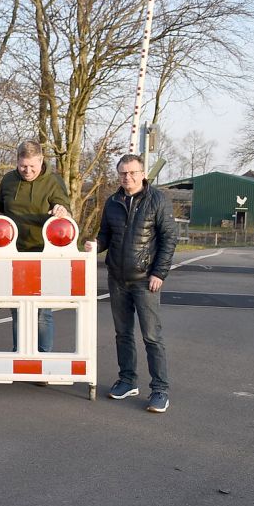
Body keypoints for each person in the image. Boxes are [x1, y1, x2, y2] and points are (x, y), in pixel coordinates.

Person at [86, 154, 177, 413]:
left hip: (146, 281)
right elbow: (105, 234)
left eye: (133, 172)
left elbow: (169, 238)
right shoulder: (112, 202)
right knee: (123, 334)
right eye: (123, 173)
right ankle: (127, 380)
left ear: (143, 173)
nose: (128, 177)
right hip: (117, 278)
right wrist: (96, 245)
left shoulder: (157, 200)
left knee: (151, 336)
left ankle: (160, 390)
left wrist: (159, 273)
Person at [0, 140, 71, 353]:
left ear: (41, 161)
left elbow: (65, 211)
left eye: (32, 167)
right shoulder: (8, 181)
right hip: (14, 253)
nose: (27, 171)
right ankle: (20, 353)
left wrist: (61, 210)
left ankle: (43, 356)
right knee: (17, 308)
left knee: (42, 311)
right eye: (22, 166)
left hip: (42, 252)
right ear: (17, 161)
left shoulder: (53, 181)